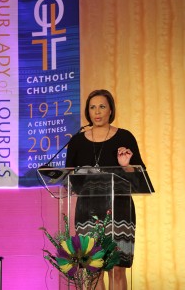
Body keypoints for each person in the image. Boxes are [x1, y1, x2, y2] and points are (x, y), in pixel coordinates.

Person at [65, 89, 146, 290]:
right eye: (92, 107)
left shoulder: (125, 137)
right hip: (87, 209)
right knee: (93, 269)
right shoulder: (76, 141)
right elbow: (69, 179)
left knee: (117, 268)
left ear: (110, 110)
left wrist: (126, 165)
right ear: (87, 111)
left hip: (119, 209)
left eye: (102, 106)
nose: (97, 112)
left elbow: (140, 177)